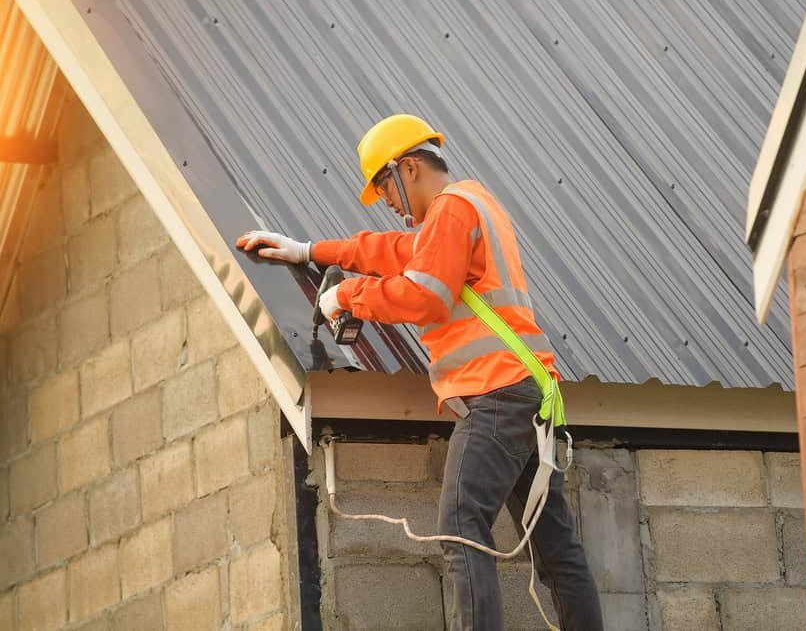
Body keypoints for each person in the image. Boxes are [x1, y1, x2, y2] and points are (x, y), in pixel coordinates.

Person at [236, 114, 603, 630]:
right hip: (529, 393)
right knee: (556, 545)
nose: (386, 200)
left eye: (385, 186)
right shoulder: (472, 207)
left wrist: (348, 295)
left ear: (408, 168)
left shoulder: (452, 209)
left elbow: (427, 296)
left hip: (496, 394)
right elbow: (386, 250)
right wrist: (309, 251)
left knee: (460, 525)